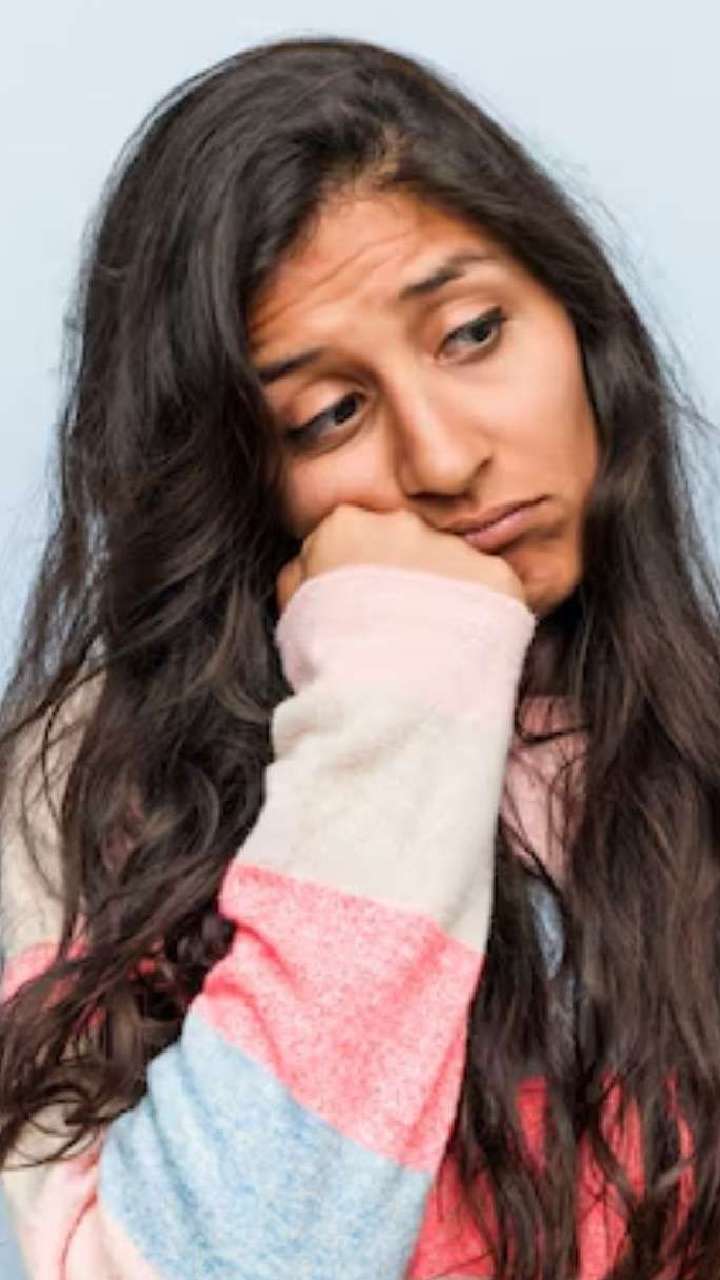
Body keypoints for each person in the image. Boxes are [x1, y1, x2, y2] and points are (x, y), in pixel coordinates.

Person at [0, 32, 718, 1280]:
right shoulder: (82, 794)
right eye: (328, 414)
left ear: (579, 323)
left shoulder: (692, 738)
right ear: (233, 479)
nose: (442, 457)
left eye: (474, 333)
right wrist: (405, 678)